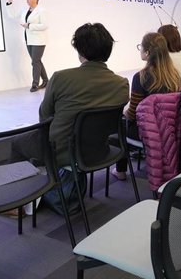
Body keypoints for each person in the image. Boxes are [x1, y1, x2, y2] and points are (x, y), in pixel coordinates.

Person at [39, 23, 129, 170]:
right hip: (100, 152)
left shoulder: (60, 78)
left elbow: (45, 116)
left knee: (17, 144)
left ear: (80, 50)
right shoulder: (122, 84)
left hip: (63, 154)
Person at [114, 32, 181, 179]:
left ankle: (120, 170)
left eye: (141, 47)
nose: (140, 50)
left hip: (148, 132)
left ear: (148, 52)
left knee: (121, 122)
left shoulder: (141, 77)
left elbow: (132, 114)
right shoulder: (174, 76)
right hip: (170, 130)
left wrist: (124, 113)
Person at [5, 0, 49, 92]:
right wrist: (9, 3)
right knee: (36, 61)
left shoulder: (41, 11)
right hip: (28, 39)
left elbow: (45, 25)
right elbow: (12, 15)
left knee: (35, 62)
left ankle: (35, 84)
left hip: (39, 40)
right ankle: (46, 81)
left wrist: (29, 26)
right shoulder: (24, 10)